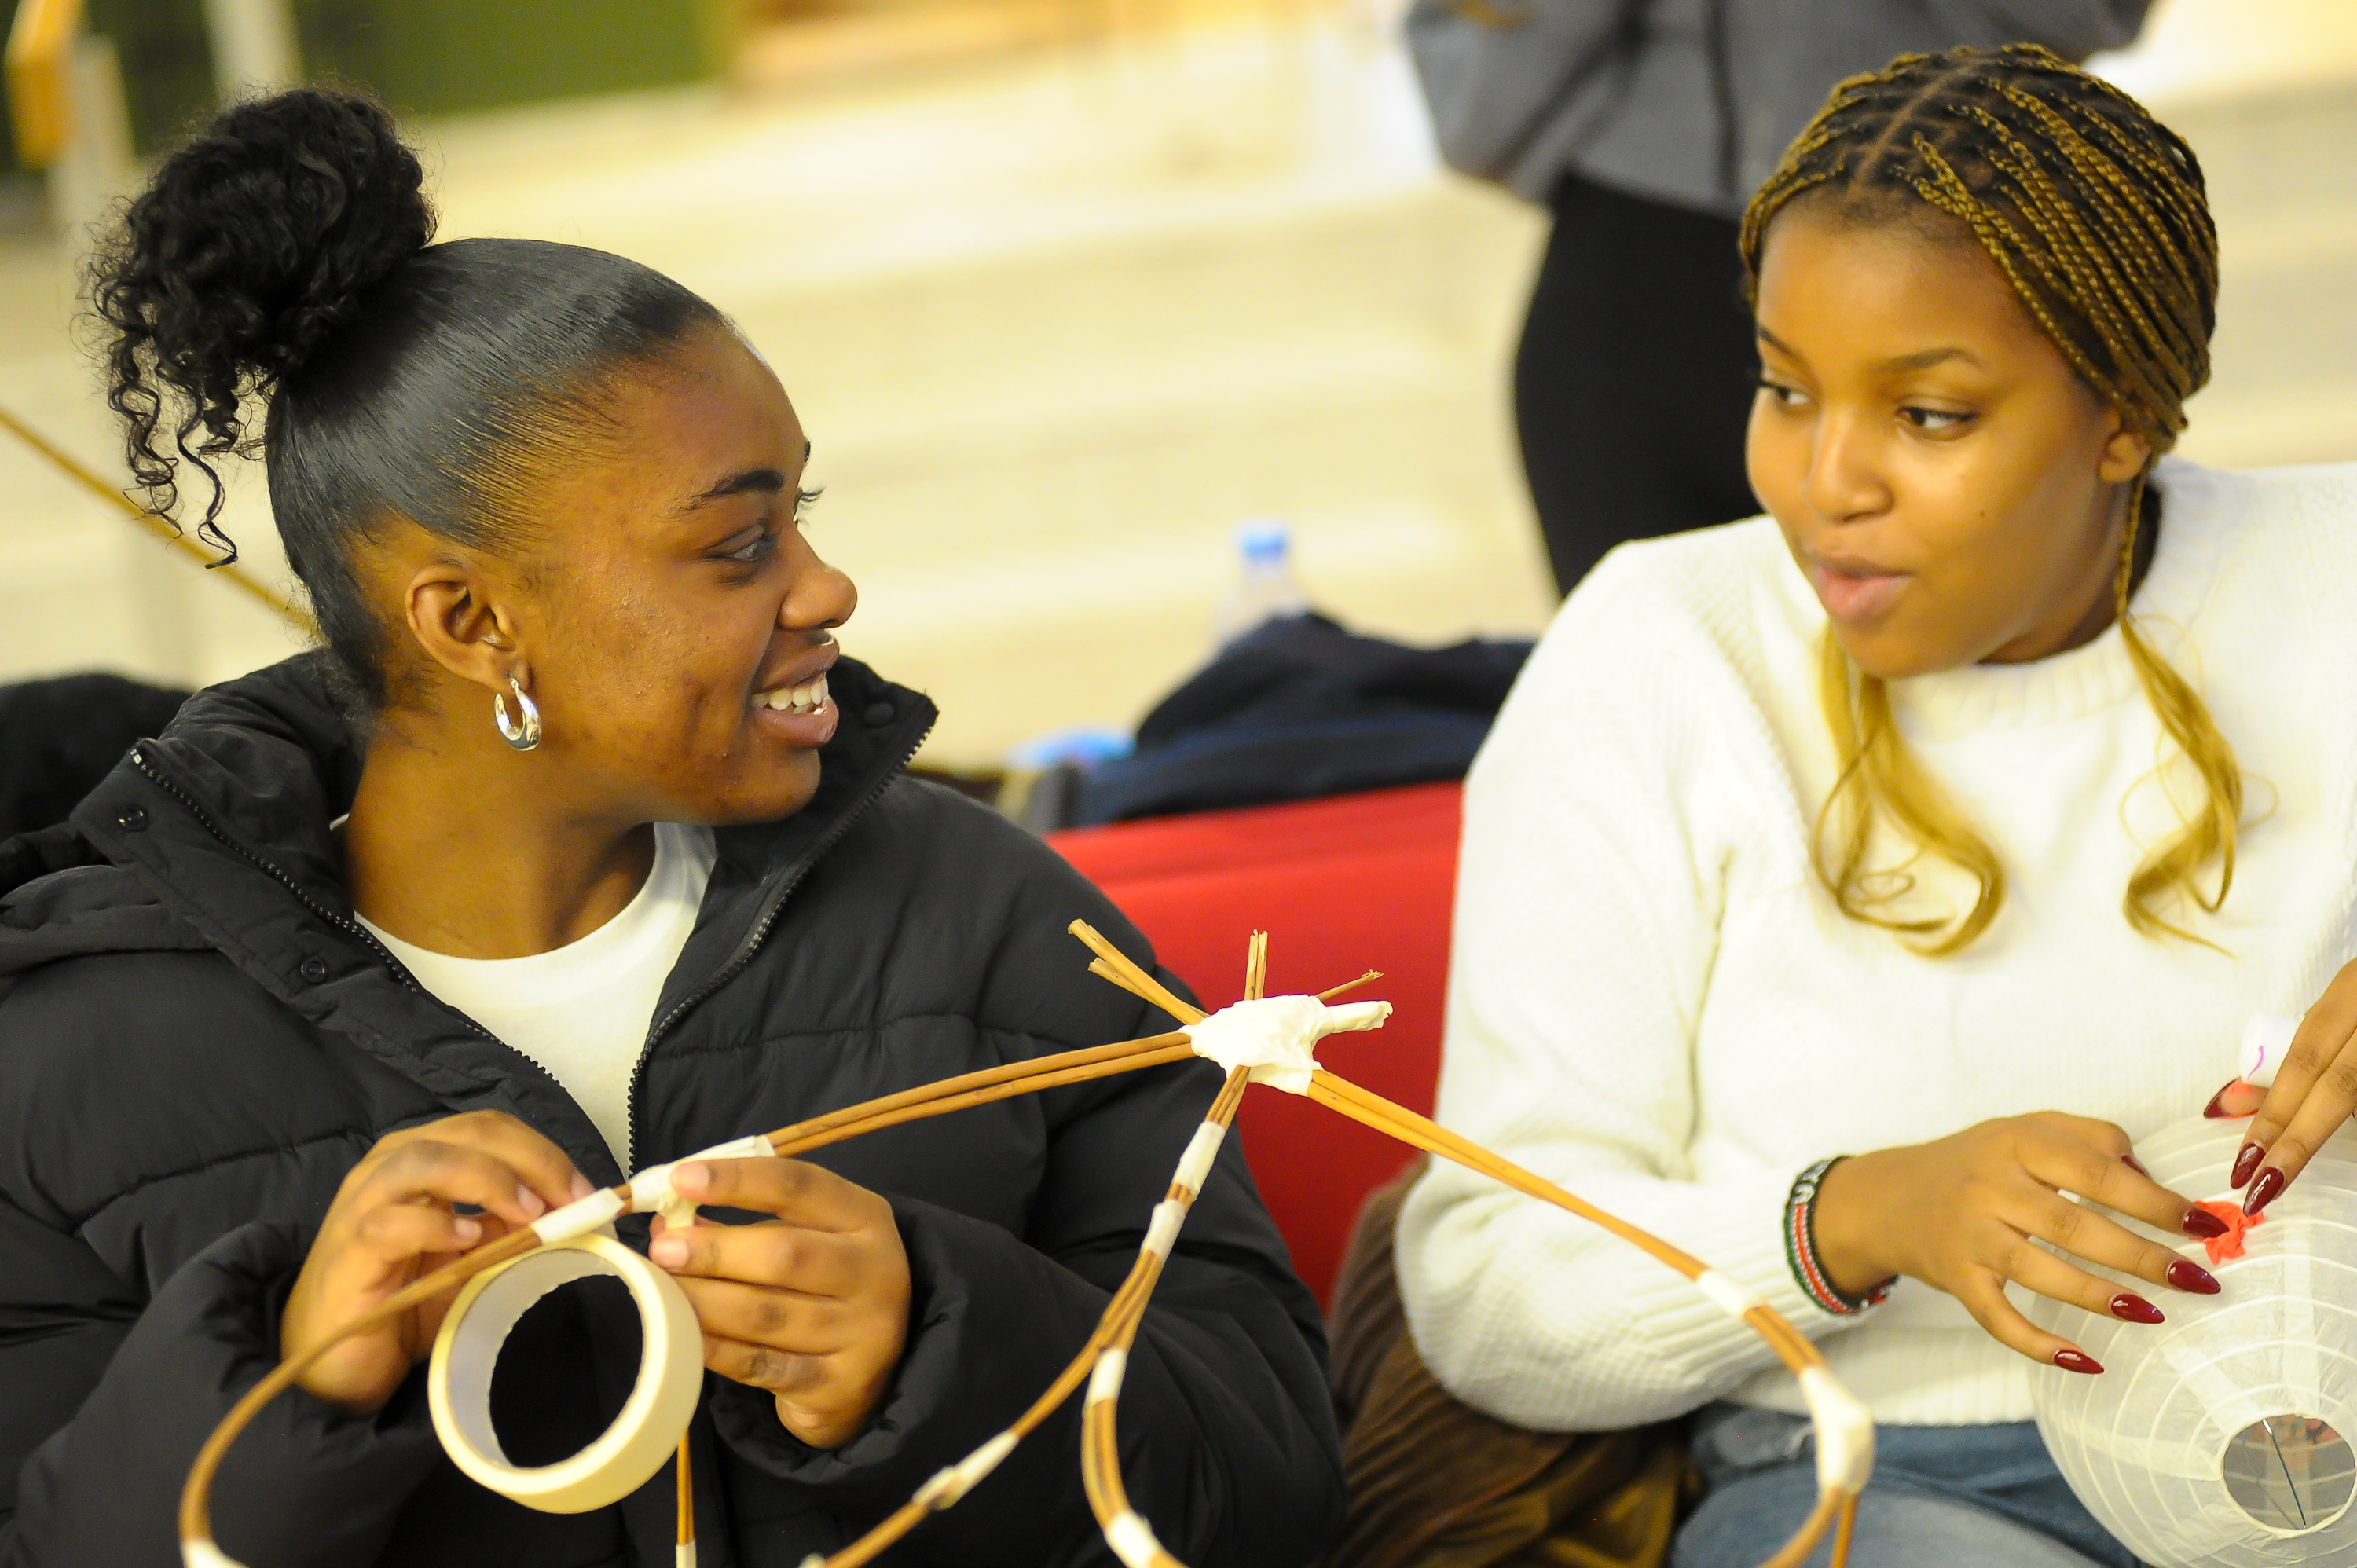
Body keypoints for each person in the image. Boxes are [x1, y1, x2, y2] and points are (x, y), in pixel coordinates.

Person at [0, 90, 1343, 1567]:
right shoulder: (67, 1070)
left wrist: (944, 1343)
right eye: (738, 545)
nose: (825, 589)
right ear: (471, 624)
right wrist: (288, 1383)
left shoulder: (995, 919)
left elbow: (1276, 1486)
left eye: (802, 513)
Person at [1392, 44, 2357, 1568]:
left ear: (2124, 414)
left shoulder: (2333, 580)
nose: (1821, 478)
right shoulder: (1667, 653)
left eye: (1931, 414)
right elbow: (1489, 1284)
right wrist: (1853, 1216)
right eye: (1783, 386)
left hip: (2324, 1446)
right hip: (1896, 1479)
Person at [1405, 0, 2155, 595]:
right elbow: (1474, 113)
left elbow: (2080, 16)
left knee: (1967, 733)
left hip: (1939, 258)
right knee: (1659, 735)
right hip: (1627, 300)